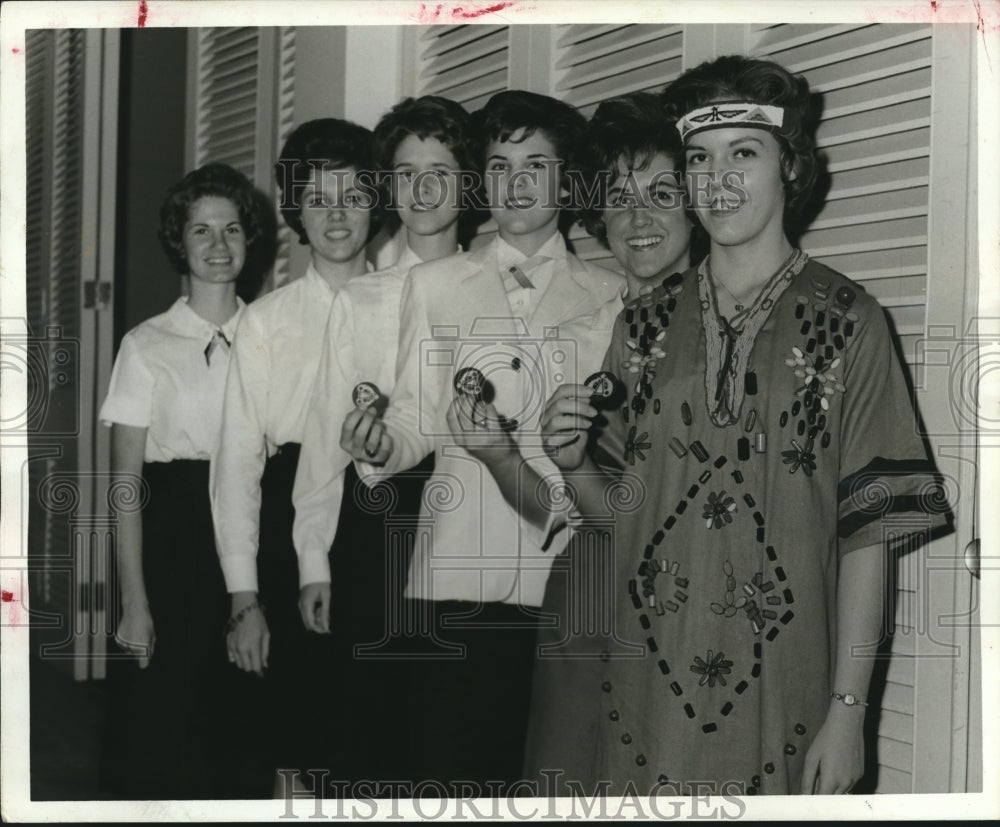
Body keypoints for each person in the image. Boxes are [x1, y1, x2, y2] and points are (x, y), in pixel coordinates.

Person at [533, 56, 949, 796]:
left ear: (789, 165)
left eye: (743, 153)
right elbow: (622, 519)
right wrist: (571, 462)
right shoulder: (644, 325)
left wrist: (849, 713)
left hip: (785, 699)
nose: (716, 178)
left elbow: (869, 539)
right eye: (699, 158)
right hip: (644, 697)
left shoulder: (851, 322)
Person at [339, 89, 626, 792]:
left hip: (562, 573)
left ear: (568, 179)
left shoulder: (611, 291)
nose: (516, 183)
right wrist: (380, 447)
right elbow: (413, 417)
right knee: (454, 776)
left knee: (550, 778)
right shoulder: (434, 285)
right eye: (499, 165)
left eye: (535, 164)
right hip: (456, 573)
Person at [291, 95, 478, 785]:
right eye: (405, 172)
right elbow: (321, 439)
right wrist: (314, 556)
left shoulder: (498, 289)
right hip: (376, 529)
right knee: (370, 731)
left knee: (449, 733)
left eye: (441, 169)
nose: (423, 189)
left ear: (469, 180)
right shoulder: (360, 298)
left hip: (466, 518)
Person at [521, 92, 705, 787]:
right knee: (564, 778)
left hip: (688, 599)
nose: (640, 216)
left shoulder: (736, 326)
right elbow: (565, 503)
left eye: (663, 192)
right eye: (620, 197)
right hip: (589, 588)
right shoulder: (576, 329)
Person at [209, 118, 378, 785]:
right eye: (317, 196)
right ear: (296, 213)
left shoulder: (409, 304)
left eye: (353, 193)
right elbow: (236, 468)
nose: (336, 213)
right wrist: (243, 598)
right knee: (293, 738)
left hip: (380, 522)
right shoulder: (264, 320)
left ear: (377, 201)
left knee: (370, 735)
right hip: (286, 529)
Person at [101, 162, 275, 799]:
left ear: (249, 238)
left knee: (242, 730)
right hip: (173, 543)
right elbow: (125, 488)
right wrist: (135, 602)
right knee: (165, 732)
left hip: (254, 539)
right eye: (201, 231)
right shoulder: (145, 345)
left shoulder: (272, 335)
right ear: (180, 241)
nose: (219, 246)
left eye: (231, 229)